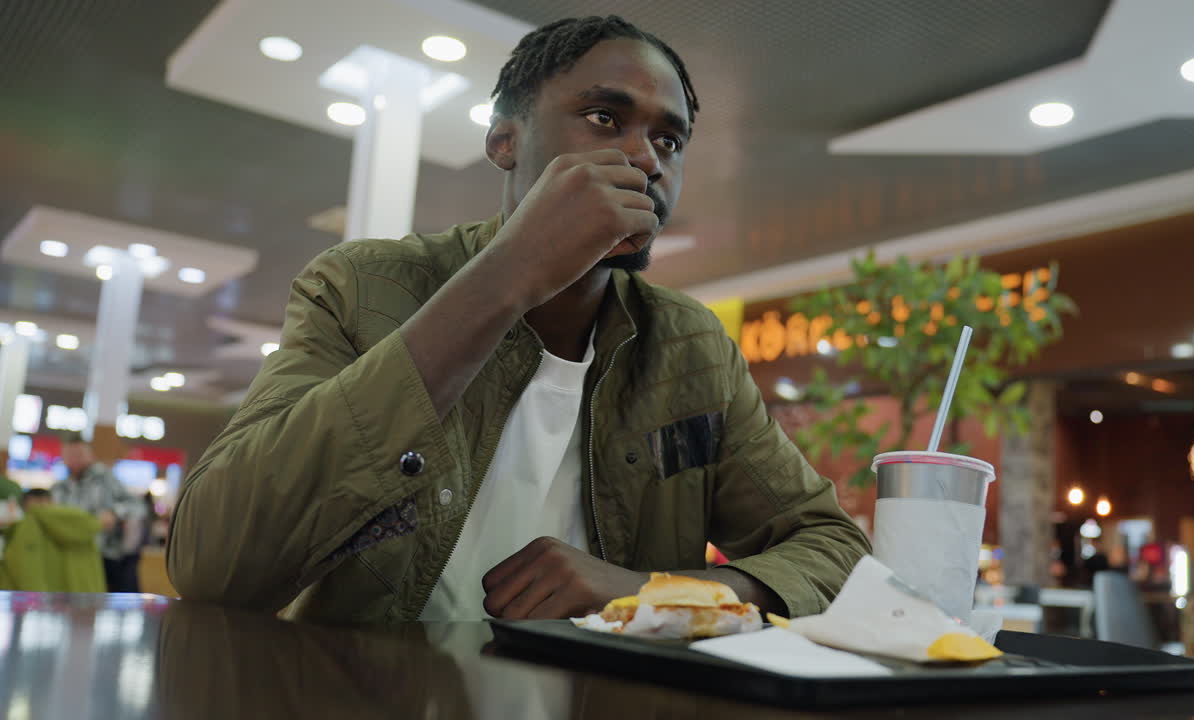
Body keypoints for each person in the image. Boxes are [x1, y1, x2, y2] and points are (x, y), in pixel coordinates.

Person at [168, 15, 870, 623]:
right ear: (505, 141)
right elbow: (212, 564)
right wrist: (508, 275)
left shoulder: (688, 347)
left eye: (669, 141)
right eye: (605, 118)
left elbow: (836, 552)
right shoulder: (359, 288)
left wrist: (653, 593)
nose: (644, 159)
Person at [51, 438, 145, 592]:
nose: (74, 459)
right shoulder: (60, 487)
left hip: (106, 555)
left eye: (79, 454)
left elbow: (137, 506)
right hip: (71, 557)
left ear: (90, 455)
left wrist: (114, 513)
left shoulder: (105, 479)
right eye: (70, 454)